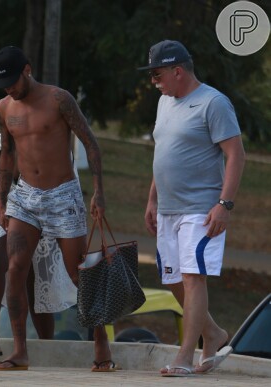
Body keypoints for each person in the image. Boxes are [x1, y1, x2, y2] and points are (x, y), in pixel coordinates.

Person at [0, 46, 112, 371]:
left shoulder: (59, 99)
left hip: (63, 195)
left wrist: (98, 192)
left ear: (27, 70)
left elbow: (90, 142)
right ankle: (19, 352)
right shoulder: (4, 107)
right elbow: (7, 152)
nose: (9, 89)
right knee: (15, 269)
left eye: (13, 81)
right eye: (4, 84)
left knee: (77, 272)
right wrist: (3, 200)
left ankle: (100, 340)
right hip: (25, 196)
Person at [139, 40, 244, 376]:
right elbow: (163, 151)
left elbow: (235, 155)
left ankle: (186, 355)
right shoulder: (164, 102)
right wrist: (153, 198)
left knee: (192, 278)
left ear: (177, 70)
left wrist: (224, 205)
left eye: (157, 74)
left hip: (201, 207)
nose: (154, 81)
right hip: (168, 208)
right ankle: (212, 333)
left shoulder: (214, 103)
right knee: (172, 278)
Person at [0, 134, 77, 359]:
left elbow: (67, 185)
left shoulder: (55, 139)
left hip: (46, 212)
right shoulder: (3, 138)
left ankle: (46, 346)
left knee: (35, 283)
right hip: (6, 210)